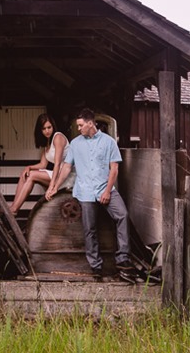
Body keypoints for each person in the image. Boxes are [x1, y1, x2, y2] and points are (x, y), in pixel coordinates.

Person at [45, 108, 132, 280]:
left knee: (122, 215)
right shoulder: (76, 144)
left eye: (81, 125)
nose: (79, 129)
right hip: (85, 191)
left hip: (105, 188)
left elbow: (114, 169)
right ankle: (96, 266)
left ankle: (123, 259)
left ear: (90, 123)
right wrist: (54, 186)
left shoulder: (109, 142)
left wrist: (107, 191)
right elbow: (67, 167)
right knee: (89, 229)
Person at [9, 113, 71, 215]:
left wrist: (51, 187)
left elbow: (57, 163)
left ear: (53, 126)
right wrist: (28, 167)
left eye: (49, 127)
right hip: (56, 174)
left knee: (32, 175)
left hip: (64, 176)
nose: (47, 131)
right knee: (26, 173)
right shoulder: (47, 143)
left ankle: (14, 209)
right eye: (44, 129)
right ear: (40, 130)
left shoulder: (58, 137)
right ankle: (13, 207)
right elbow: (43, 164)